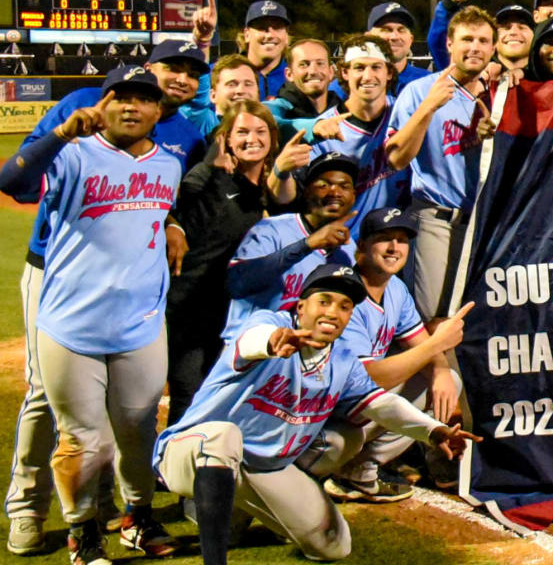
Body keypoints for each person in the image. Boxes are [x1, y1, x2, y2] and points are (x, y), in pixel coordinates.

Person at [4, 41, 207, 554]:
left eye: (144, 98)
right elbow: (14, 181)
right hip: (62, 291)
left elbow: (169, 203)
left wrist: (175, 222)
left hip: (137, 314)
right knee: (58, 413)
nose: (133, 106)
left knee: (137, 426)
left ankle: (132, 517)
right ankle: (56, 519)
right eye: (122, 95)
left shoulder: (172, 153)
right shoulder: (74, 140)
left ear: (158, 108)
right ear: (104, 99)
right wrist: (60, 136)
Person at [154, 263, 479, 565]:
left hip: (262, 469)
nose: (333, 312)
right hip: (192, 453)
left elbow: (380, 404)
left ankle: (236, 513)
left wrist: (434, 431)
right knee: (224, 437)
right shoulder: (269, 324)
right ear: (300, 307)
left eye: (344, 306)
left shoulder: (342, 361)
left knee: (334, 543)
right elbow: (249, 342)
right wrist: (272, 342)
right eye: (324, 301)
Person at [299, 208, 470, 502]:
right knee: (341, 443)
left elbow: (419, 342)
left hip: (353, 407)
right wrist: (435, 346)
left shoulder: (396, 290)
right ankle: (300, 476)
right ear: (361, 246)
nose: (395, 248)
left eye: (402, 240)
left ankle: (359, 471)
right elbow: (367, 378)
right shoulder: (343, 298)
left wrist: (440, 367)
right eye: (385, 239)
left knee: (447, 380)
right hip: (316, 417)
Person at [166, 100, 302, 426]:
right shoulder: (210, 181)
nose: (251, 139)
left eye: (260, 131)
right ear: (225, 138)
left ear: (272, 138)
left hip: (245, 316)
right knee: (191, 400)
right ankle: (167, 475)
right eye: (241, 131)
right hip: (194, 312)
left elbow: (285, 198)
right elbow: (176, 204)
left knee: (235, 401)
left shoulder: (269, 189)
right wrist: (207, 164)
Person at [387, 5, 496, 320]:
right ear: (449, 44)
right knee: (434, 320)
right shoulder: (420, 90)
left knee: (478, 322)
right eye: (466, 39)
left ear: (493, 48)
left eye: (482, 40)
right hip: (436, 219)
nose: (474, 47)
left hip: (485, 224)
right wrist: (428, 108)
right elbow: (396, 159)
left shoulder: (499, 94)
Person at [222, 152, 359, 343]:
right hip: (252, 348)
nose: (334, 192)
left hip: (302, 356)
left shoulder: (348, 251)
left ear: (353, 197)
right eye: (324, 185)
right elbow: (237, 284)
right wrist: (307, 245)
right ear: (306, 190)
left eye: (344, 186)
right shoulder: (271, 229)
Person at [310, 37, 409, 233]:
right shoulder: (325, 128)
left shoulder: (406, 113)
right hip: (344, 243)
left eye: (376, 67)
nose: (368, 76)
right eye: (359, 67)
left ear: (389, 72)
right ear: (345, 73)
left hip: (400, 237)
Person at [265, 39, 340, 142]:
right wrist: (314, 126)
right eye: (304, 64)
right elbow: (268, 122)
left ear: (331, 72)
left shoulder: (342, 109)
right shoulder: (279, 107)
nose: (313, 71)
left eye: (320, 63)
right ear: (289, 74)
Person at [182, 54, 260, 136]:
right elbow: (197, 103)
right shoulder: (203, 121)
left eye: (248, 84)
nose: (241, 90)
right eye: (232, 84)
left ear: (258, 93)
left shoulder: (269, 126)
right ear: (213, 95)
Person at [367, 1, 432, 93]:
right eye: (386, 30)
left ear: (411, 39)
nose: (395, 37)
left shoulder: (429, 83)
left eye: (401, 30)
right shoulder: (352, 84)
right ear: (368, 37)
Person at [238, 0, 293, 99]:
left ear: (286, 36)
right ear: (247, 35)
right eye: (262, 28)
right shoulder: (223, 73)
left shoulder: (297, 76)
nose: (270, 35)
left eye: (277, 28)